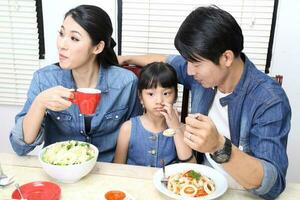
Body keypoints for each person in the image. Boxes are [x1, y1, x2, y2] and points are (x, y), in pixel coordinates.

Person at [118, 6, 291, 199]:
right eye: (188, 62)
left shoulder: (269, 99)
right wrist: (126, 58)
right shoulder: (202, 74)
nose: (189, 71)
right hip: (198, 185)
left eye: (196, 63)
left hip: (241, 192)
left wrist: (219, 146)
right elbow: (165, 60)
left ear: (226, 57)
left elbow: (273, 183)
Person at [9, 5, 141, 162]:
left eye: (74, 38)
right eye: (61, 34)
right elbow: (20, 146)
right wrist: (40, 103)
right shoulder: (45, 79)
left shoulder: (125, 83)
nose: (62, 45)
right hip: (60, 172)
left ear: (97, 47)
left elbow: (137, 139)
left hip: (107, 173)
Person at [114, 62, 196, 167]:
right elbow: (117, 169)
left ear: (175, 96)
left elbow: (191, 167)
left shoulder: (183, 129)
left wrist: (176, 129)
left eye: (166, 93)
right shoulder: (128, 128)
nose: (159, 101)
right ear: (140, 97)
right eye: (151, 94)